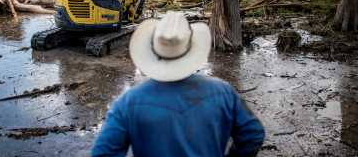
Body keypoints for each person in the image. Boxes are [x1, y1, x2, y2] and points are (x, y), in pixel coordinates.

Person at [91, 11, 265, 157]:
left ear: (153, 50)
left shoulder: (129, 102)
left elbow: (103, 152)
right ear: (191, 48)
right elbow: (253, 134)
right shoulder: (223, 93)